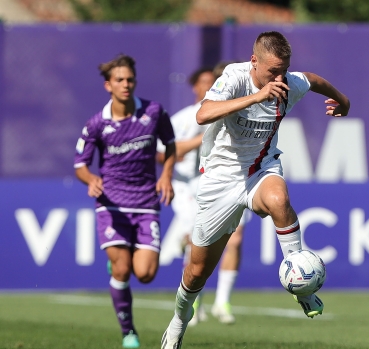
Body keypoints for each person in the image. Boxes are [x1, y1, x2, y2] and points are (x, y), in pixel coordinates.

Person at [161, 31, 350, 348]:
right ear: (254, 62)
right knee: (196, 273)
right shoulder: (234, 77)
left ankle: (301, 286)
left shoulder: (291, 83)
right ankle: (178, 323)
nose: (280, 78)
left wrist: (343, 101)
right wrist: (257, 96)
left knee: (279, 199)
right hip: (220, 179)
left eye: (284, 71)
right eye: (272, 72)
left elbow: (314, 79)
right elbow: (203, 113)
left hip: (261, 170)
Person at [74, 54, 176, 348]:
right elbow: (80, 164)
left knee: (144, 274)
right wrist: (91, 179)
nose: (126, 84)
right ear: (108, 85)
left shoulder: (154, 112)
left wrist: (166, 175)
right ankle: (128, 331)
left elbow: (170, 144)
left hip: (145, 203)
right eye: (119, 80)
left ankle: (121, 264)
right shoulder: (96, 124)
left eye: (130, 79)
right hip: (112, 205)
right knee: (121, 270)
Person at [157, 63, 248, 326]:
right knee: (197, 240)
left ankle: (223, 302)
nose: (210, 86)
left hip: (227, 182)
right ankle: (193, 301)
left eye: (215, 81)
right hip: (189, 187)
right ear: (196, 86)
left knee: (235, 238)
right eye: (205, 81)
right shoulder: (183, 118)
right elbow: (164, 153)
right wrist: (202, 138)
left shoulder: (232, 114)